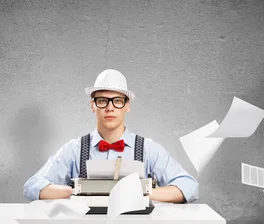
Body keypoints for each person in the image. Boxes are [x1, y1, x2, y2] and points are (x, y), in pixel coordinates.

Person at [23, 69, 199, 203]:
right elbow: (32, 186)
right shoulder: (74, 150)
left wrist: (144, 193)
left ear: (127, 106)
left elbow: (189, 186)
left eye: (117, 101)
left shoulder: (148, 149)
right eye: (102, 101)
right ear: (92, 105)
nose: (110, 108)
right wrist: (74, 191)